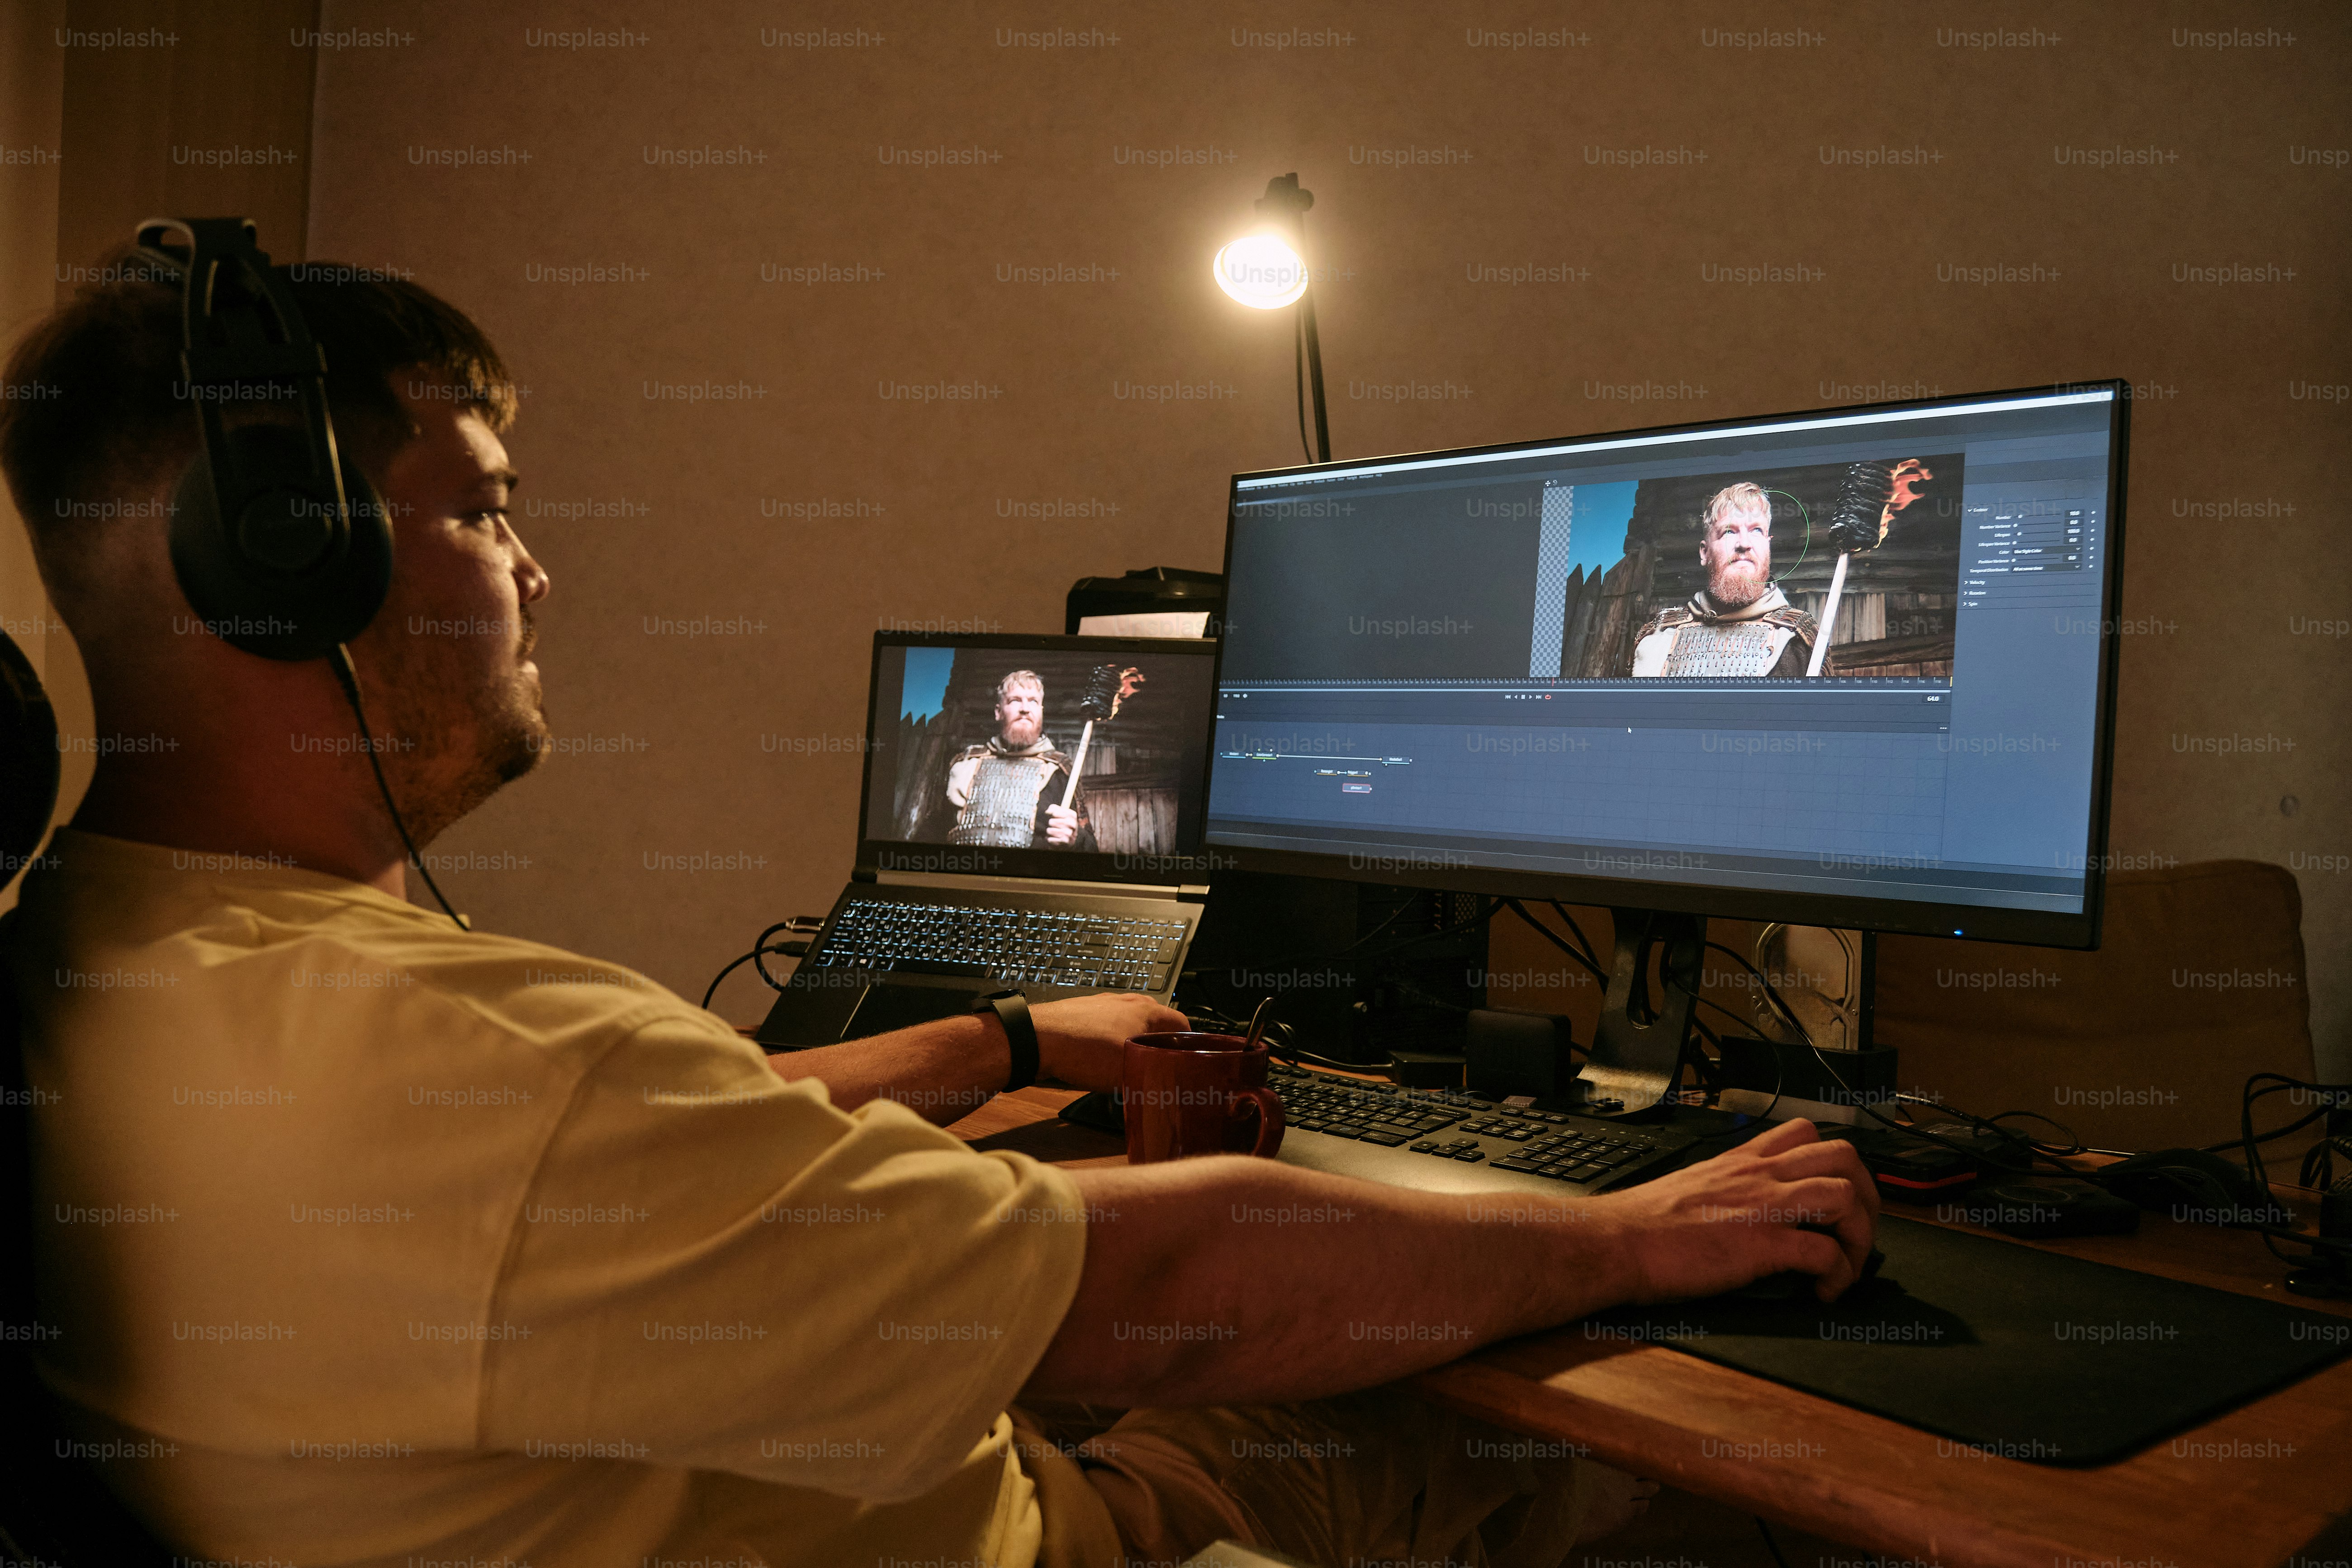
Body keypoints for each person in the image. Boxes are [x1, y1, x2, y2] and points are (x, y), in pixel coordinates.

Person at [0, 257, 1878, 1568]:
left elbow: (692, 1147)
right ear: (287, 567)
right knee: (1563, 1423)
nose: (537, 567)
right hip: (1053, 1521)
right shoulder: (488, 1071)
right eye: (486, 511)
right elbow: (1160, 1292)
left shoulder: (96, 946)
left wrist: (998, 1038)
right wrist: (1629, 1232)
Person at [1630, 481, 1831, 678]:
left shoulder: (1799, 642)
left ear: (1768, 546)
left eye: (1756, 530)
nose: (1744, 544)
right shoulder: (1658, 638)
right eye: (1728, 532)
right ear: (1705, 553)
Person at [932, 668, 1095, 849]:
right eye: (1015, 700)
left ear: (1041, 711)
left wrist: (1076, 839)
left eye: (1033, 701)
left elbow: (1091, 849)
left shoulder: (1060, 772)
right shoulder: (964, 766)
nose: (1025, 709)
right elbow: (934, 834)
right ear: (999, 712)